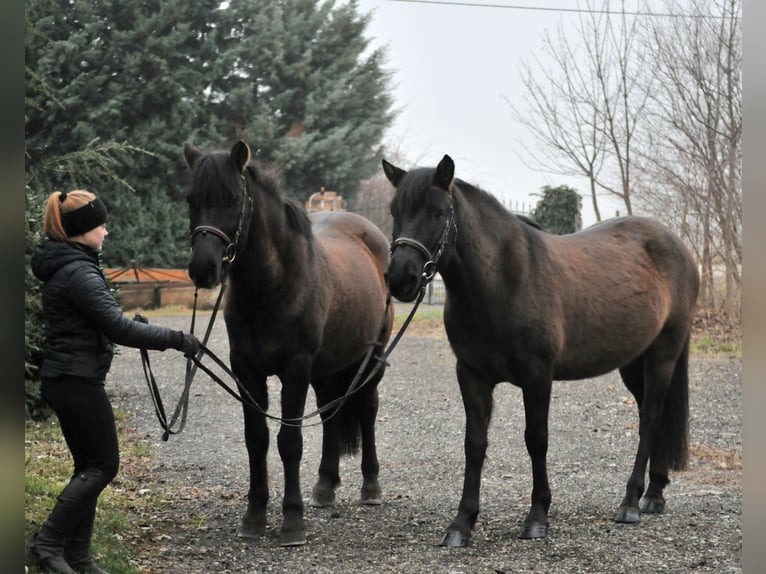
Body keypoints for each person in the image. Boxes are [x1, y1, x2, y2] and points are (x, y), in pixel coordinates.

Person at [27, 190, 200, 574]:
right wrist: (175, 339)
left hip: (69, 379)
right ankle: (48, 542)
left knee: (88, 465)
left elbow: (96, 322)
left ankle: (79, 558)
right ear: (82, 230)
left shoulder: (71, 266)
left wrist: (130, 328)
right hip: (76, 382)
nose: (106, 230)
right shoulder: (78, 271)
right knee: (103, 465)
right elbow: (117, 328)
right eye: (100, 224)